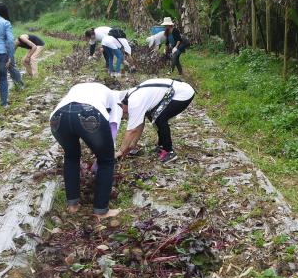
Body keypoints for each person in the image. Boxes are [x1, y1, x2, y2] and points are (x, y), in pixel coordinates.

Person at [49, 82, 123, 219]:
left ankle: (72, 206)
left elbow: (72, 114)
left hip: (58, 116)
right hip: (89, 113)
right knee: (106, 161)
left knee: (71, 157)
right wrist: (106, 152)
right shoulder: (115, 98)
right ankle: (101, 211)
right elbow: (113, 126)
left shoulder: (80, 87)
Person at [116, 78, 195, 164]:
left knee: (160, 119)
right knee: (153, 117)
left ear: (122, 106)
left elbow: (132, 130)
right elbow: (139, 123)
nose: (125, 117)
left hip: (183, 93)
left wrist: (121, 151)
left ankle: (169, 152)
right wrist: (133, 144)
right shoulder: (131, 97)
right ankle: (162, 145)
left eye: (123, 115)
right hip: (173, 91)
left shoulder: (134, 103)